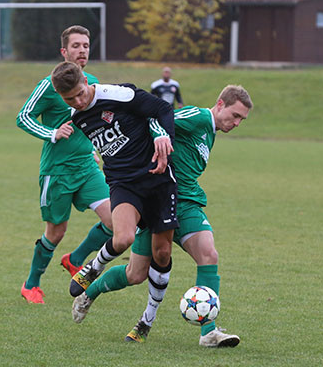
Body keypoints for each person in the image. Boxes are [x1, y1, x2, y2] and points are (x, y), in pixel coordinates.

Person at [72, 85, 253, 348]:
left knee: (208, 255)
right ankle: (92, 291)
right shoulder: (199, 118)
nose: (237, 123)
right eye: (235, 115)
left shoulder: (210, 132)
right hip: (158, 198)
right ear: (221, 104)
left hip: (187, 203)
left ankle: (209, 332)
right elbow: (157, 118)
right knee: (135, 274)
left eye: (242, 120)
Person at [50, 61, 178, 306]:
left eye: (80, 94)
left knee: (161, 252)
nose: (77, 102)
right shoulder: (77, 117)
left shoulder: (120, 95)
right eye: (69, 99)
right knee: (122, 239)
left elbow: (162, 109)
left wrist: (165, 138)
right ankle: (93, 267)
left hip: (153, 176)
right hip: (122, 182)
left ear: (87, 82)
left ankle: (99, 272)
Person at [16, 25, 113, 304]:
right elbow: (23, 117)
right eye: (76, 46)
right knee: (56, 232)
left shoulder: (92, 81)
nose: (82, 50)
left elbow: (94, 122)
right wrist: (52, 133)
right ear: (64, 51)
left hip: (86, 167)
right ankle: (31, 284)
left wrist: (95, 148)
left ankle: (76, 259)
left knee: (115, 221)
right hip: (56, 172)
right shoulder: (49, 85)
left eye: (85, 45)